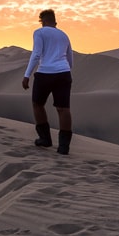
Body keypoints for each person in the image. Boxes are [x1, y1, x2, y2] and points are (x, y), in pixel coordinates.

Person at [22, 9, 74, 155]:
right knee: (63, 109)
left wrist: (27, 75)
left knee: (37, 104)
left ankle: (45, 139)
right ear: (55, 21)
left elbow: (36, 53)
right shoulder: (64, 35)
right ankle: (64, 147)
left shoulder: (39, 32)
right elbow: (70, 57)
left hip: (45, 72)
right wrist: (66, 70)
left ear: (42, 21)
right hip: (63, 73)